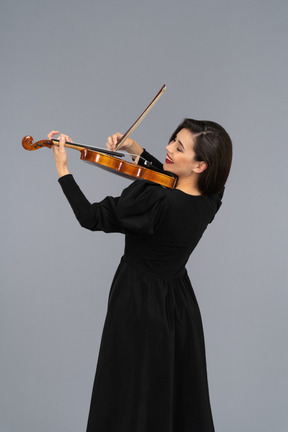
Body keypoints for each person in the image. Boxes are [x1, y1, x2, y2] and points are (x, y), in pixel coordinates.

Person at [48, 118, 232, 432]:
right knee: (168, 390)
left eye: (179, 148)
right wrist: (134, 149)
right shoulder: (211, 201)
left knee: (128, 391)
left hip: (136, 301)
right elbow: (167, 176)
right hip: (177, 305)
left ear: (200, 165)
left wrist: (63, 168)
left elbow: (91, 217)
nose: (168, 149)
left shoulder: (156, 201)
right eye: (173, 140)